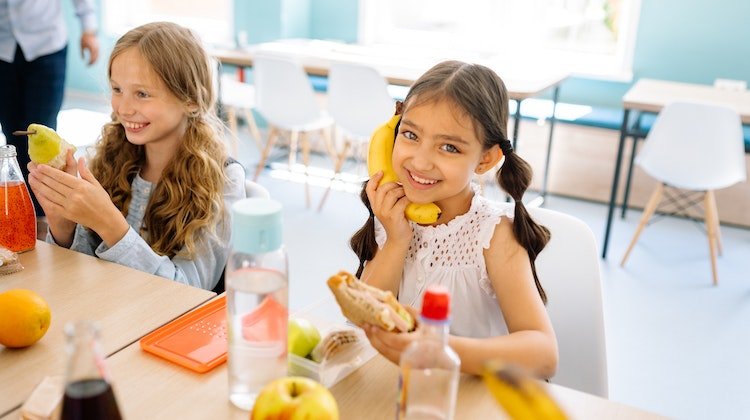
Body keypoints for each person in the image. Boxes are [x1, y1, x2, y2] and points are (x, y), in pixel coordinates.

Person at [349, 60, 558, 377]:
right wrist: (396, 240)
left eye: (448, 147)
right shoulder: (392, 215)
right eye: (410, 135)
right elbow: (363, 322)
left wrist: (436, 348)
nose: (420, 161)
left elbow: (544, 354)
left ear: (485, 159)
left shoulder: (493, 234)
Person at [26, 22, 245, 290]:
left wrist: (111, 225)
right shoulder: (111, 156)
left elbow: (188, 291)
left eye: (142, 94)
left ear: (191, 99)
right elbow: (83, 274)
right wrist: (63, 226)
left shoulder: (224, 180)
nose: (124, 108)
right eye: (117, 90)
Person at [0, 0, 100, 218]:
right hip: (3, 49)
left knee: (42, 134)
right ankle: (18, 209)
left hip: (46, 45)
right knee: (12, 134)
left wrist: (89, 30)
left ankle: (47, 212)